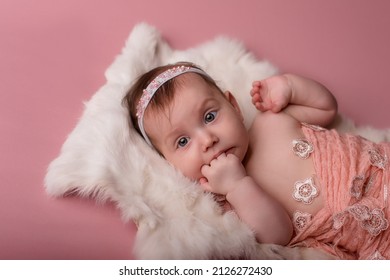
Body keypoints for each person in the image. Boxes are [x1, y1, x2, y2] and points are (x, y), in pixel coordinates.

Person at [123, 62, 390, 259]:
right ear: (169, 164)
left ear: (234, 107)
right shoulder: (228, 204)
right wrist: (237, 186)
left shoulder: (271, 121)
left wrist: (289, 86)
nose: (207, 139)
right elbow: (277, 235)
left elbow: (326, 108)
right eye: (182, 142)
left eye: (209, 117)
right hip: (371, 239)